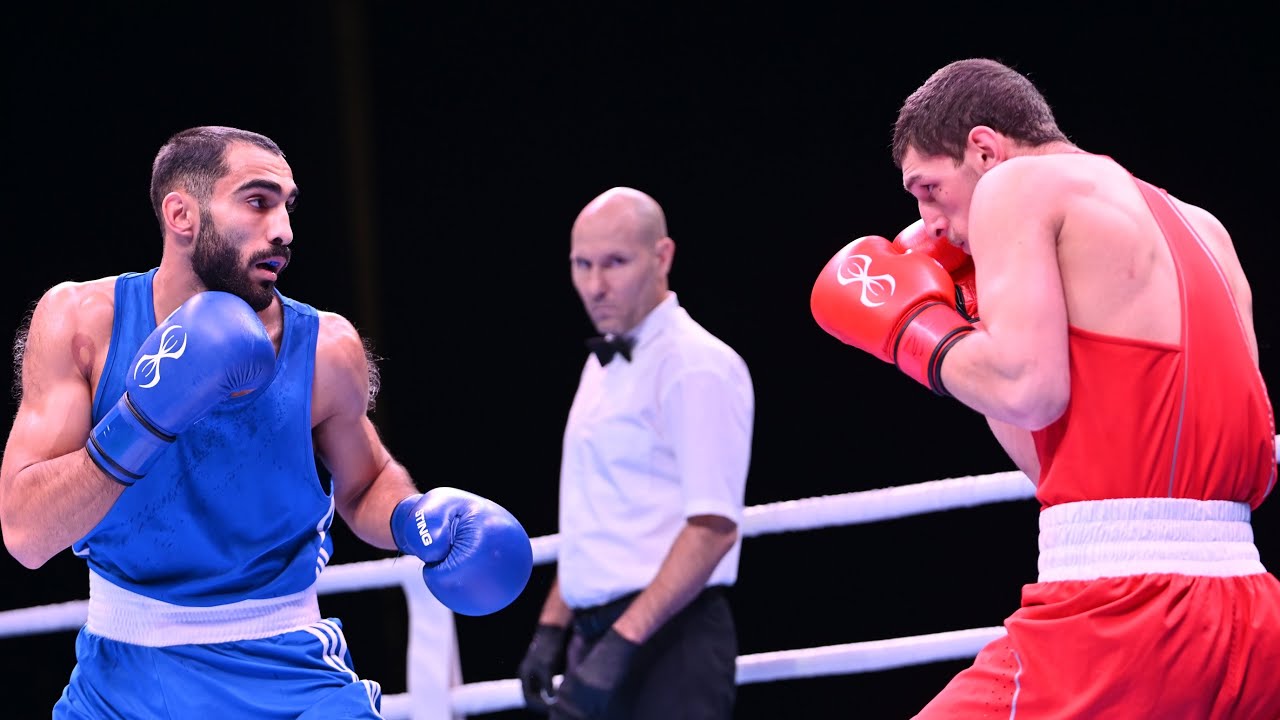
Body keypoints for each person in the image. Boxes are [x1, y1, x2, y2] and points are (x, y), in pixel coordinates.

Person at [0, 125, 534, 719]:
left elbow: (365, 481)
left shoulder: (326, 347)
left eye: (287, 205)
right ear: (181, 214)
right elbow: (25, 534)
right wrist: (145, 416)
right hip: (123, 678)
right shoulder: (83, 325)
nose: (282, 230)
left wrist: (414, 518)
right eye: (258, 201)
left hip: (287, 667)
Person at [810, 58, 1280, 718]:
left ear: (983, 149)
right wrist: (977, 311)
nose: (929, 221)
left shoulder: (1017, 184)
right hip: (1249, 612)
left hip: (1123, 613)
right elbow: (1053, 460)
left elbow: (1026, 391)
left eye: (929, 189)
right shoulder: (1201, 227)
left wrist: (915, 330)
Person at [516, 187, 754, 719]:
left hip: (671, 640)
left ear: (662, 256)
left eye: (615, 263)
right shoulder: (602, 363)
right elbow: (598, 514)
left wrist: (622, 644)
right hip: (595, 636)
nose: (595, 286)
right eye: (582, 265)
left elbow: (713, 527)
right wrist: (552, 626)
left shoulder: (697, 365)